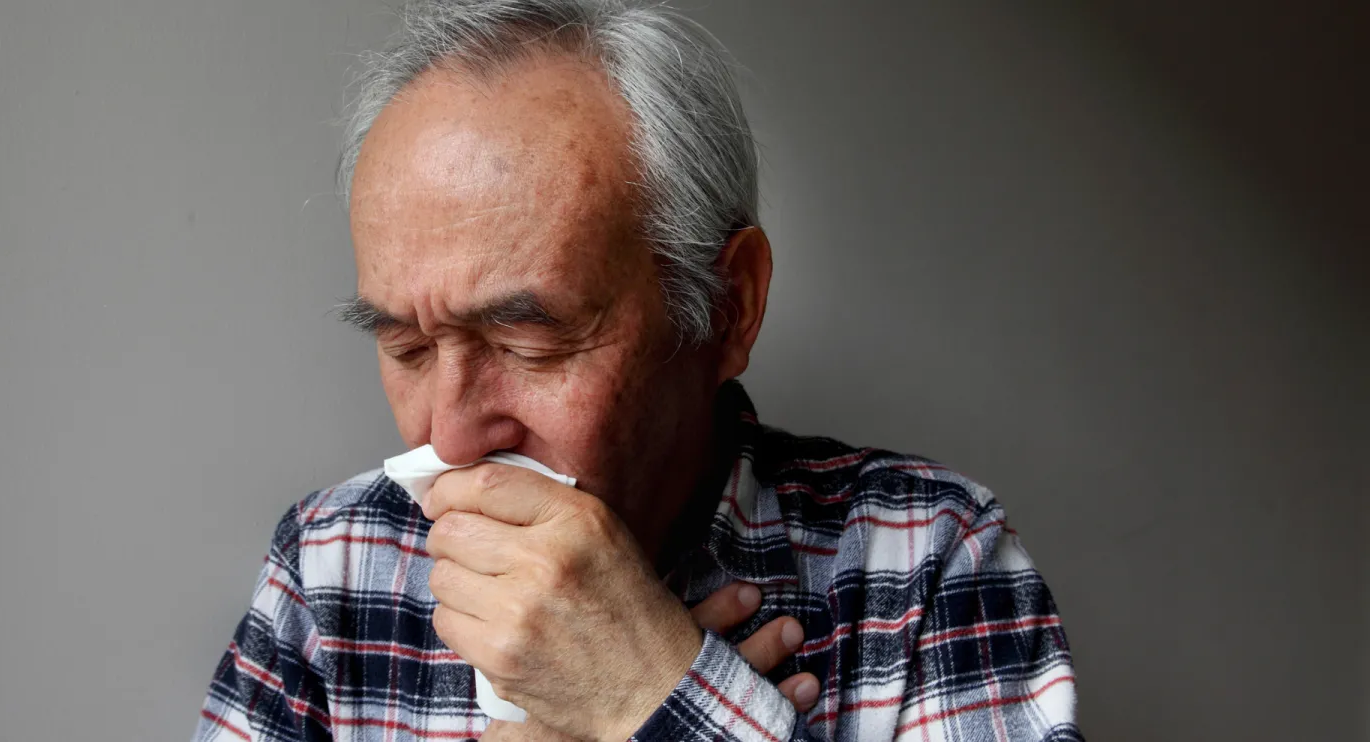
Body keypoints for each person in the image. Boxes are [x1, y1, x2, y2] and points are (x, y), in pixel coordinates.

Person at [193, 1, 1080, 739]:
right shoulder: (332, 565)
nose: (452, 437)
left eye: (527, 341)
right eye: (407, 347)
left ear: (728, 306)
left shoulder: (927, 560)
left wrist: (652, 695)